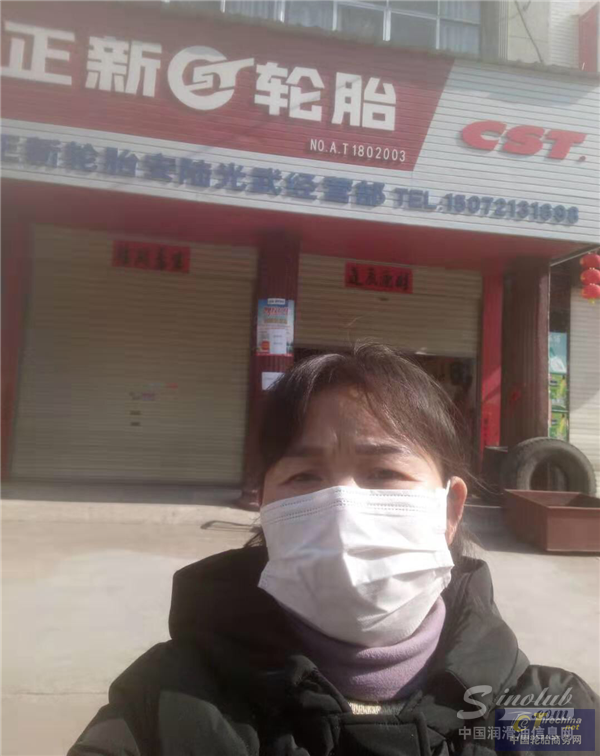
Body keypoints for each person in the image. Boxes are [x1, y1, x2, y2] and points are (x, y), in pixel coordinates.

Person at [68, 344, 598, 755]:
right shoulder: (163, 700)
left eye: (384, 472)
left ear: (450, 510)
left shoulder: (550, 713)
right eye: (304, 476)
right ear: (265, 508)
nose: (343, 507)